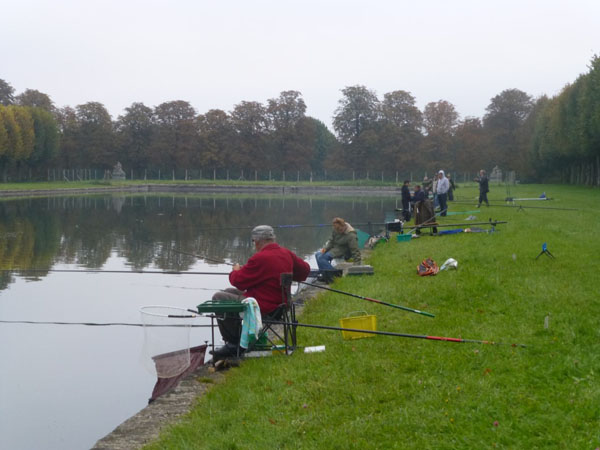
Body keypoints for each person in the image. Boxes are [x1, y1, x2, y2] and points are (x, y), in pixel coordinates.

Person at [210, 225, 310, 358]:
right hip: (282, 305)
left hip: (264, 307)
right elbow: (304, 271)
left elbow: (239, 281)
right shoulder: (286, 253)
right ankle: (243, 339)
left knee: (218, 297)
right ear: (272, 238)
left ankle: (234, 344)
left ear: (256, 241)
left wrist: (236, 271)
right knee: (229, 292)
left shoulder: (260, 258)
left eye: (253, 242)